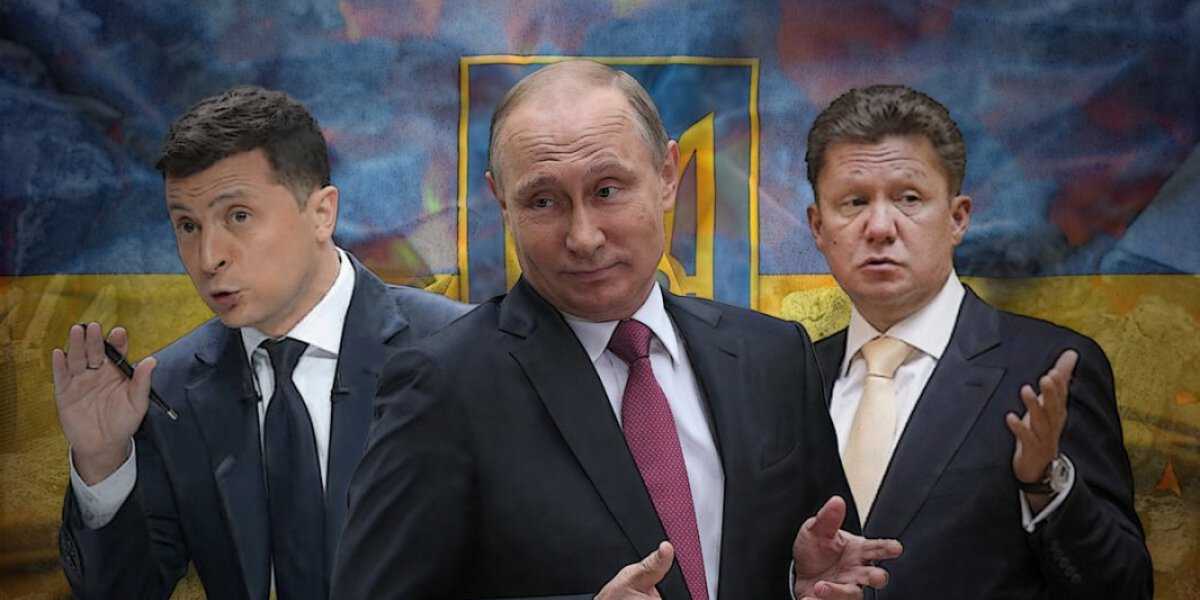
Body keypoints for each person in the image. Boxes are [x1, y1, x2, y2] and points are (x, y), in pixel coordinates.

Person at [332, 60, 901, 600]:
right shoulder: (442, 386)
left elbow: (837, 563)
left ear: (667, 176)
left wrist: (806, 585)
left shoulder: (773, 357)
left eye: (607, 191)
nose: (583, 237)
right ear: (502, 203)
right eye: (544, 201)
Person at [53, 86, 468, 600]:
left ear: (322, 213)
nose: (208, 257)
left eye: (238, 216)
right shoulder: (168, 392)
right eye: (187, 225)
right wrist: (102, 462)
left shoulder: (459, 351)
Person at [804, 84, 1153, 598]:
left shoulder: (1046, 371)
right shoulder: (790, 376)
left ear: (958, 218)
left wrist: (1045, 483)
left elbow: (1124, 589)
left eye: (908, 198)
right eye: (854, 202)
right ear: (817, 226)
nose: (879, 227)